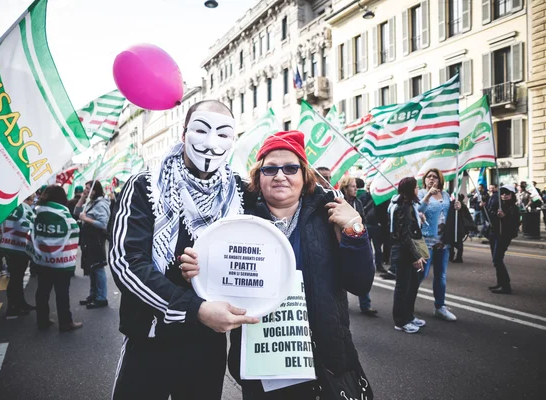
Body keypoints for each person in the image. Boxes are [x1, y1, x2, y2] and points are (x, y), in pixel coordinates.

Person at [183, 131, 375, 399]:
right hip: (263, 367)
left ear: (304, 175)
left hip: (326, 361)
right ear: (258, 177)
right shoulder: (235, 222)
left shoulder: (330, 215)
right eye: (270, 168)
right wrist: (195, 270)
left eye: (290, 167)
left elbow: (360, 283)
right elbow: (215, 284)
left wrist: (355, 229)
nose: (280, 175)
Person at [109, 100, 258, 400]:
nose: (210, 143)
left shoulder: (240, 193)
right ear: (183, 133)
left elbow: (287, 201)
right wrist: (195, 309)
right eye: (201, 130)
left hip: (206, 345)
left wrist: (339, 212)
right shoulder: (144, 187)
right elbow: (126, 264)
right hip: (150, 339)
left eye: (223, 134)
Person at [30, 185, 82, 332]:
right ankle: (65, 322)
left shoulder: (38, 210)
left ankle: (42, 320)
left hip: (42, 258)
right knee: (62, 292)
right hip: (61, 261)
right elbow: (74, 229)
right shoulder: (62, 211)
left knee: (42, 290)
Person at [418, 168, 461, 322]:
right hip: (426, 240)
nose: (431, 179)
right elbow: (418, 210)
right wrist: (428, 195)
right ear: (424, 180)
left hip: (443, 241)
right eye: (428, 177)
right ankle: (408, 300)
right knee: (421, 273)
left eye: (434, 177)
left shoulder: (444, 195)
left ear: (440, 180)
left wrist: (457, 206)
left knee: (441, 276)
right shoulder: (422, 193)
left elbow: (449, 214)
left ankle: (440, 307)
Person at [390, 177, 426, 334]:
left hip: (409, 251)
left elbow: (412, 230)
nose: (418, 190)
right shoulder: (402, 206)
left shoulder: (409, 205)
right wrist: (415, 256)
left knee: (412, 285)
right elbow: (403, 236)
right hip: (404, 253)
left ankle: (409, 316)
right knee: (403, 287)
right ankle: (400, 321)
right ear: (410, 189)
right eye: (416, 187)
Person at [340, 177, 378, 316]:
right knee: (342, 275)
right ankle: (342, 302)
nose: (356, 189)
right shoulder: (338, 202)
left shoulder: (358, 202)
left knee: (362, 272)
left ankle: (365, 305)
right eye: (352, 186)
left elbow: (363, 221)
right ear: (345, 188)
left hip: (356, 241)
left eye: (356, 186)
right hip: (342, 243)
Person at [0, 194, 36, 317]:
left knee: (17, 277)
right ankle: (13, 306)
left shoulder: (11, 206)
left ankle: (20, 303)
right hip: (17, 247)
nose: (32, 201)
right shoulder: (20, 208)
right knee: (16, 277)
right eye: (31, 199)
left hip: (12, 246)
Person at [73, 180, 110, 309]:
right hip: (88, 240)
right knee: (91, 269)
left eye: (88, 189)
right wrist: (83, 198)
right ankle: (93, 295)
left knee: (98, 268)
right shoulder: (91, 202)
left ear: (95, 190)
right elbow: (76, 212)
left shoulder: (101, 204)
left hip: (96, 240)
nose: (85, 190)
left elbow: (103, 224)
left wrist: (86, 219)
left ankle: (101, 297)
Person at [487, 184, 519, 294]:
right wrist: (484, 208)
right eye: (503, 193)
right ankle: (500, 283)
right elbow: (490, 218)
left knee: (497, 259)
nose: (504, 195)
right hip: (494, 234)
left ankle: (506, 286)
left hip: (504, 236)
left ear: (512, 195)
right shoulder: (498, 204)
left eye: (507, 193)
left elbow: (514, 224)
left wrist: (504, 217)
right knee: (496, 260)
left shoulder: (513, 208)